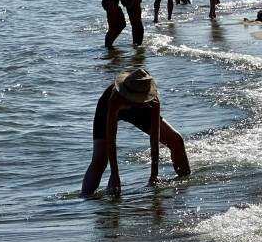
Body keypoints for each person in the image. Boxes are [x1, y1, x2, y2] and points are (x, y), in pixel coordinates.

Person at [80, 68, 191, 196]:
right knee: (100, 159)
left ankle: (184, 186)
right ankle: (85, 199)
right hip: (107, 108)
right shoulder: (115, 98)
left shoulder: (152, 102)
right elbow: (111, 139)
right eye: (137, 98)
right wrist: (114, 175)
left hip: (140, 111)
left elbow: (155, 139)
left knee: (176, 140)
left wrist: (154, 175)